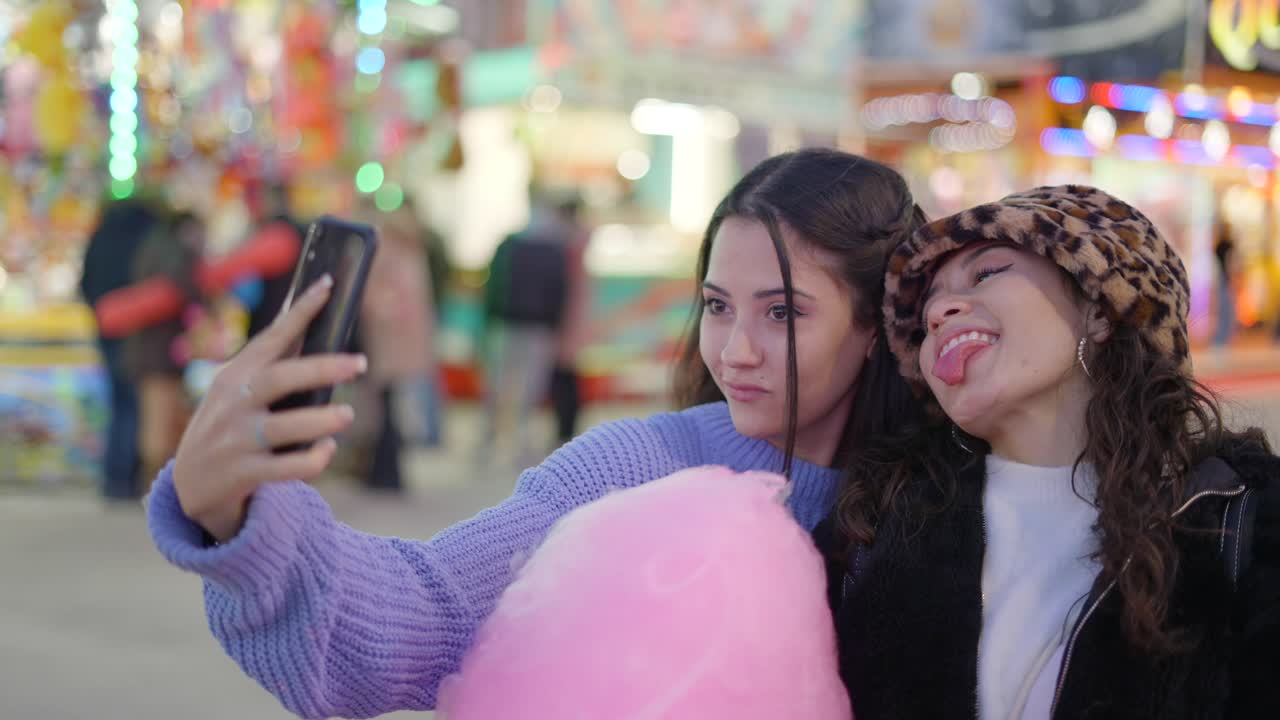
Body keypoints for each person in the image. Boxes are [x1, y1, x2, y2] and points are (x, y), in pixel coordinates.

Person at [145, 149, 925, 717]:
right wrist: (240, 511)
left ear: (873, 327)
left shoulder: (947, 501)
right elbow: (426, 615)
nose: (736, 349)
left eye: (783, 313)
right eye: (718, 306)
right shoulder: (636, 471)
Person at [820, 186, 1279, 719]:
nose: (940, 313)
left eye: (988, 273)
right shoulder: (873, 523)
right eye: (924, 320)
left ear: (1101, 307)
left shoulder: (1243, 519)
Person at [79, 198, 160, 500]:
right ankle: (128, 478)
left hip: (107, 331)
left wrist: (104, 314)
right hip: (140, 335)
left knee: (119, 404)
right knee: (134, 405)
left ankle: (115, 479)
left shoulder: (101, 238)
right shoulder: (145, 240)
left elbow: (85, 284)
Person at [124, 210, 208, 494]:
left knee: (159, 422)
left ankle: (155, 487)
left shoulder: (151, 248)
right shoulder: (175, 254)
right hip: (158, 356)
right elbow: (184, 288)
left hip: (152, 353)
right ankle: (154, 490)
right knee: (158, 426)